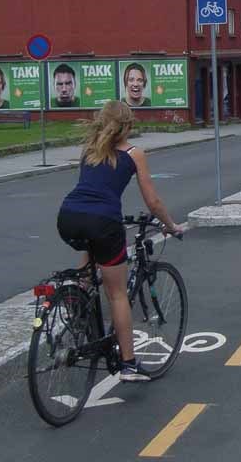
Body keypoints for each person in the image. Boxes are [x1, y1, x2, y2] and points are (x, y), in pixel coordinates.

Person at [56, 100, 184, 381]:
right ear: (129, 125)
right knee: (117, 294)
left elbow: (93, 188)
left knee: (91, 251)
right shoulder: (134, 153)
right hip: (102, 221)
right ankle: (128, 364)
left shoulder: (89, 149)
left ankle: (77, 296)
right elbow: (153, 201)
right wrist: (171, 225)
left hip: (68, 217)